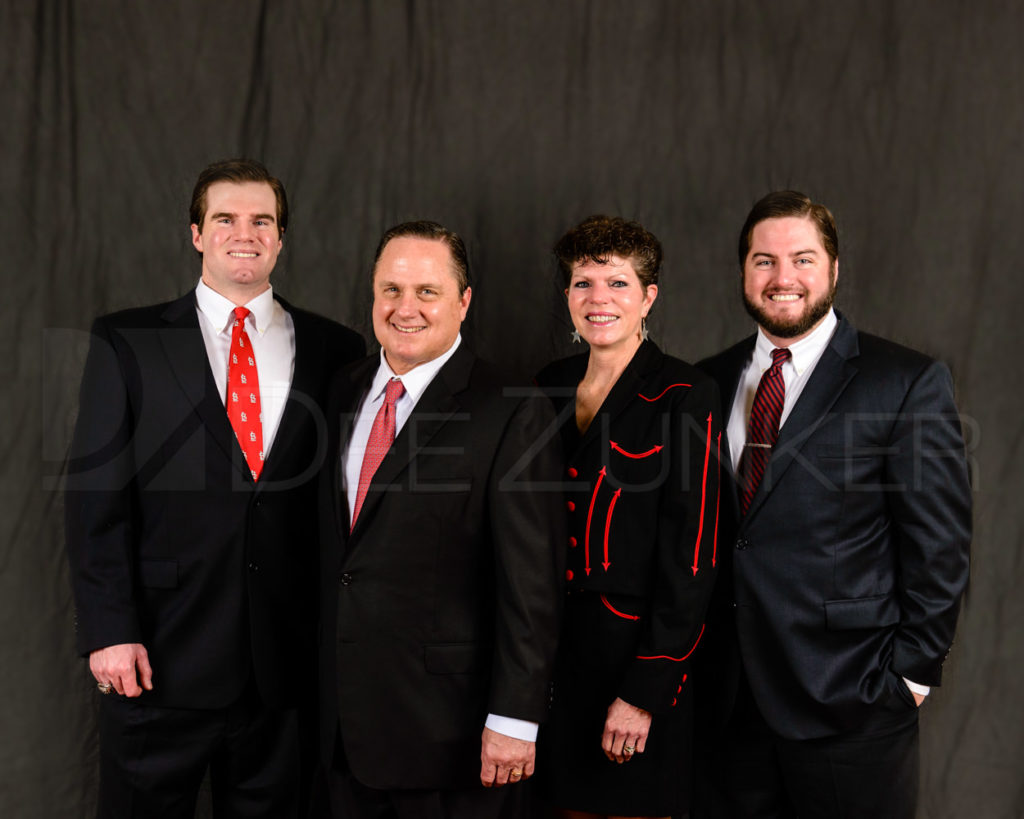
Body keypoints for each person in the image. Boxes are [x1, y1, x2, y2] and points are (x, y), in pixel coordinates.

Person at [65, 158, 366, 818]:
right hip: (159, 658)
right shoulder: (129, 340)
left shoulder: (335, 348)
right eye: (225, 218)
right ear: (196, 233)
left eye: (262, 220)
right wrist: (109, 628)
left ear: (281, 238)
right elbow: (95, 498)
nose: (245, 232)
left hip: (283, 668)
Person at [694, 190, 972, 818]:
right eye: (764, 261)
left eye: (802, 259)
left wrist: (909, 677)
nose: (782, 278)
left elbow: (940, 544)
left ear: (834, 269)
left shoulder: (903, 381)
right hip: (728, 705)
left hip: (852, 699)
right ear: (743, 271)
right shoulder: (706, 382)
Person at [316, 220, 565, 819]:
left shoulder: (512, 409)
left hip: (451, 733)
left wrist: (515, 718)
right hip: (341, 728)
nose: (407, 308)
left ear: (463, 302)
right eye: (391, 290)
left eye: (427, 291)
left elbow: (533, 585)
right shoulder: (342, 391)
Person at [534, 215, 721, 819]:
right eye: (583, 283)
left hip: (633, 665)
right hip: (550, 661)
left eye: (616, 283)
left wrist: (645, 691)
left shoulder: (684, 393)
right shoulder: (548, 386)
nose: (598, 300)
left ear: (649, 297)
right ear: (566, 296)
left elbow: (693, 556)